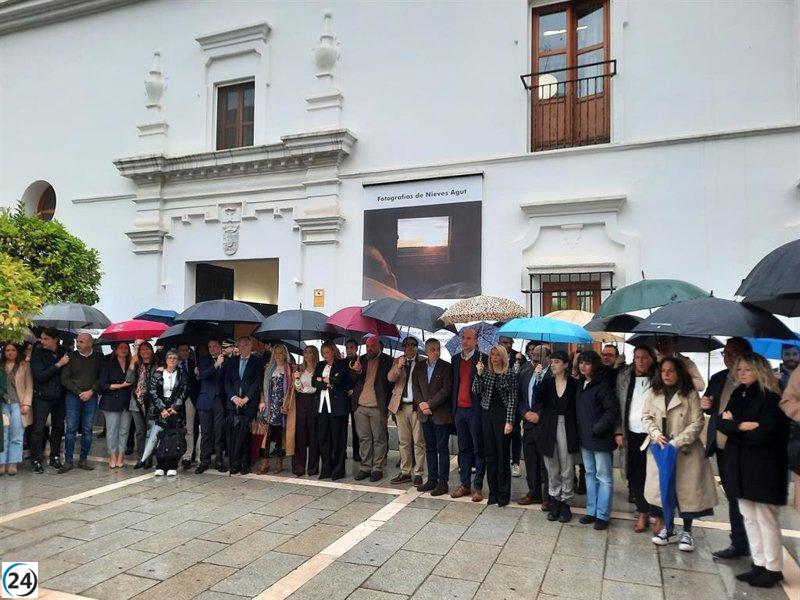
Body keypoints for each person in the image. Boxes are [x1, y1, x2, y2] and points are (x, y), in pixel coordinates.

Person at [718, 353, 789, 588]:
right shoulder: (740, 393)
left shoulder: (770, 398)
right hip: (739, 464)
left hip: (763, 466)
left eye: (747, 369)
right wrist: (741, 425)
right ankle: (759, 563)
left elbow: (766, 432)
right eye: (739, 370)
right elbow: (722, 423)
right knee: (748, 515)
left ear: (760, 370)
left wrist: (735, 427)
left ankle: (773, 567)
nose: (742, 373)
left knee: (765, 517)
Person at [642, 357, 718, 551]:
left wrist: (678, 441)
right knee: (663, 490)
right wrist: (655, 433)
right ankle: (668, 528)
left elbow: (697, 422)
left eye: (671, 371)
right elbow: (646, 416)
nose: (666, 374)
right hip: (660, 448)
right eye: (663, 371)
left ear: (679, 373)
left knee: (686, 493)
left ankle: (687, 532)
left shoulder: (690, 393)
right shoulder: (653, 391)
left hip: (685, 450)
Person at [702, 337, 752, 559]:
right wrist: (705, 404)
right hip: (722, 446)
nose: (727, 358)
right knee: (732, 495)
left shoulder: (753, 381)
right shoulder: (718, 378)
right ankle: (738, 542)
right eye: (725, 353)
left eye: (733, 353)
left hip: (746, 447)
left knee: (749, 499)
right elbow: (708, 404)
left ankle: (754, 545)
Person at [531, 351, 578, 522]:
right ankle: (555, 501)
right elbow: (538, 398)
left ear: (565, 364)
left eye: (557, 362)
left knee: (566, 466)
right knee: (552, 466)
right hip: (549, 427)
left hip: (567, 426)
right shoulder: (547, 382)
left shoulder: (574, 383)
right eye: (552, 362)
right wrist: (537, 378)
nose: (553, 364)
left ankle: (566, 502)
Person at [614, 345, 658, 533]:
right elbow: (618, 404)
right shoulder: (625, 376)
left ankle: (659, 514)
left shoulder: (659, 377)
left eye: (644, 357)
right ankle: (642, 512)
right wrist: (618, 431)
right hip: (630, 432)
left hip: (654, 435)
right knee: (635, 475)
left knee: (654, 476)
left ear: (652, 359)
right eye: (637, 357)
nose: (640, 361)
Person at [575, 350, 618, 530]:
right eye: (581, 362)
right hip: (585, 439)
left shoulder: (602, 385)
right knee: (590, 475)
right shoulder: (580, 384)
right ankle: (591, 511)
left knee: (604, 477)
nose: (583, 366)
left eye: (587, 363)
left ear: (595, 365)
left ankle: (603, 514)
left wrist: (597, 428)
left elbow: (612, 410)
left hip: (600, 439)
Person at [472, 344, 517, 507]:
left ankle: (504, 493)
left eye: (497, 355)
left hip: (502, 415)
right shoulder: (486, 371)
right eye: (492, 355)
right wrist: (478, 374)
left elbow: (513, 398)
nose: (494, 358)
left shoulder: (510, 373)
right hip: (487, 414)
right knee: (489, 455)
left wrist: (510, 421)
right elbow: (476, 390)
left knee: (502, 455)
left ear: (503, 357)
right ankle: (493, 492)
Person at [349, 336, 393, 482]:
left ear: (379, 346)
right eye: (368, 346)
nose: (370, 349)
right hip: (360, 407)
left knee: (379, 439)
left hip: (377, 407)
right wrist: (357, 371)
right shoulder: (360, 360)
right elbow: (352, 381)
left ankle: (377, 468)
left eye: (372, 346)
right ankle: (365, 467)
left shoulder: (388, 360)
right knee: (364, 439)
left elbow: (391, 383)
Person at [413, 338, 453, 496]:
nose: (436, 352)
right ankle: (432, 480)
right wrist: (422, 404)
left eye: (438, 349)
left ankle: (443, 482)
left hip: (440, 415)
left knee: (442, 449)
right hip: (425, 415)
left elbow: (446, 390)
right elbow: (415, 387)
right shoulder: (420, 366)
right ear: (427, 350)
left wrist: (430, 404)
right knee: (429, 448)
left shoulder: (446, 367)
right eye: (433, 349)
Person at [451, 328, 486, 502]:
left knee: (478, 449)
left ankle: (477, 486)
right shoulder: (455, 359)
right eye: (463, 338)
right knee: (463, 449)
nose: (465, 341)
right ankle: (464, 484)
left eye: (469, 338)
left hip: (475, 410)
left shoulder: (483, 360)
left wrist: (480, 373)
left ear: (476, 340)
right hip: (460, 410)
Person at [60, 332, 103, 473]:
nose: (78, 344)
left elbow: (101, 378)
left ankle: (83, 459)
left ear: (90, 343)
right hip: (73, 397)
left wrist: (91, 391)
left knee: (87, 429)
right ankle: (68, 461)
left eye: (81, 342)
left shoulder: (98, 358)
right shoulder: (71, 357)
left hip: (91, 397)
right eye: (77, 341)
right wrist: (79, 392)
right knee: (71, 429)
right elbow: (65, 379)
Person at [223, 337, 265, 475]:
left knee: (246, 433)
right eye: (240, 345)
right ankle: (234, 462)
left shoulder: (257, 361)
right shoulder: (232, 360)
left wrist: (246, 398)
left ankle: (245, 463)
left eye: (245, 345)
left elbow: (257, 381)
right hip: (233, 403)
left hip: (249, 403)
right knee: (233, 433)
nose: (242, 348)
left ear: (250, 346)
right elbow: (227, 381)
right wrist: (234, 398)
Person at [516, 345, 552, 507]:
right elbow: (521, 397)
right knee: (531, 461)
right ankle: (534, 493)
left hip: (545, 425)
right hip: (528, 423)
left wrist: (540, 415)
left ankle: (548, 497)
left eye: (539, 355)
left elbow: (553, 401)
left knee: (546, 464)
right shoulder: (526, 372)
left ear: (548, 358)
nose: (534, 357)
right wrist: (525, 413)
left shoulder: (552, 375)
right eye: (533, 354)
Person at [387, 336, 426, 486]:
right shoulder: (398, 360)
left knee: (418, 441)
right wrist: (398, 367)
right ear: (403, 347)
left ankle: (418, 473)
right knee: (404, 441)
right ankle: (405, 471)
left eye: (413, 345)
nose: (409, 347)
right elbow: (390, 378)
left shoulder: (423, 361)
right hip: (401, 406)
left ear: (417, 347)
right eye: (407, 345)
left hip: (417, 407)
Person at [29, 328, 69, 474]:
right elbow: (40, 376)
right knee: (38, 429)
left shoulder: (64, 351)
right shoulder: (38, 353)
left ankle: (55, 456)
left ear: (55, 340)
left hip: (59, 397)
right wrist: (58, 365)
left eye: (46, 339)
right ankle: (36, 460)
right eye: (42, 338)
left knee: (58, 427)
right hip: (42, 397)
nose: (42, 341)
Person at [147, 349, 188, 477]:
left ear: (178, 361)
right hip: (161, 408)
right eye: (170, 358)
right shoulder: (158, 374)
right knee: (160, 438)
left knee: (173, 438)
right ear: (166, 360)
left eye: (175, 358)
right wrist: (162, 409)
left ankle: (172, 465)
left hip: (175, 410)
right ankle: (160, 465)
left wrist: (176, 407)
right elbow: (152, 392)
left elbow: (184, 391)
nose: (172, 360)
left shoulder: (182, 374)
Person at [313, 341, 350, 480]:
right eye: (323, 352)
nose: (325, 355)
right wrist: (327, 380)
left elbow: (338, 380)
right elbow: (314, 382)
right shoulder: (320, 365)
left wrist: (325, 380)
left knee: (338, 439)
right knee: (323, 437)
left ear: (333, 351)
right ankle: (326, 468)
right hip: (322, 405)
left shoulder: (342, 364)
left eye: (327, 352)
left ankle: (338, 470)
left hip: (337, 406)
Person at [256, 343, 295, 474]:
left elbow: (291, 389)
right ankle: (265, 461)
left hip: (282, 406)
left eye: (280, 353)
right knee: (268, 434)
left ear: (285, 354)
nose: (278, 356)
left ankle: (279, 461)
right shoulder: (269, 368)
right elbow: (263, 387)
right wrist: (262, 401)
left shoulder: (289, 369)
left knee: (279, 435)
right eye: (276, 353)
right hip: (270, 405)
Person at [98, 342, 133, 469]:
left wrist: (133, 363)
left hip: (127, 401)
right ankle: (112, 455)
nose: (124, 350)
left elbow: (133, 379)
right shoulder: (108, 362)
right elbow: (103, 384)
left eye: (126, 348)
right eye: (121, 348)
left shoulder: (131, 363)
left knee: (124, 431)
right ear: (116, 350)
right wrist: (120, 386)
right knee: (112, 431)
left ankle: (121, 455)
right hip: (111, 400)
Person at [194, 339, 227, 474]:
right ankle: (204, 461)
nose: (212, 349)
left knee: (219, 432)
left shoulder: (227, 361)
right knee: (206, 432)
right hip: (205, 400)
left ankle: (219, 460)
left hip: (220, 400)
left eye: (215, 346)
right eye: (210, 346)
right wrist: (216, 365)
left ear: (220, 347)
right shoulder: (203, 360)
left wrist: (221, 363)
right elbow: (204, 375)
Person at [0, 343, 32, 476]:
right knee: (2, 436)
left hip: (18, 404)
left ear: (17, 352)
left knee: (17, 435)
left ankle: (13, 463)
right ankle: (2, 463)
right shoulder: (1, 366)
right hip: (2, 404)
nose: (10, 352)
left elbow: (29, 386)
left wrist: (26, 404)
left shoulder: (24, 365)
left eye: (13, 350)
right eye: (7, 350)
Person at [498, 335, 523, 479]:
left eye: (509, 343)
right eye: (504, 343)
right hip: (500, 405)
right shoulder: (495, 356)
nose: (507, 345)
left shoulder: (519, 357)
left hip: (515, 402)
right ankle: (503, 461)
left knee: (515, 434)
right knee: (502, 436)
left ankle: (515, 462)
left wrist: (517, 368)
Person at [293, 345, 320, 476]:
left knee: (313, 435)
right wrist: (297, 379)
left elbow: (318, 387)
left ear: (314, 354)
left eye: (309, 352)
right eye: (305, 352)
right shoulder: (300, 369)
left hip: (314, 402)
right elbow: (298, 388)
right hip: (301, 403)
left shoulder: (319, 369)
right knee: (300, 435)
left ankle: (313, 467)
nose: (307, 355)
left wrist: (306, 389)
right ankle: (299, 466)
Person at [129, 341, 156, 470]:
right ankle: (141, 458)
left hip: (151, 403)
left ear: (151, 350)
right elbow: (129, 380)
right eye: (142, 350)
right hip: (136, 402)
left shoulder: (157, 366)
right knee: (139, 432)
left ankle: (148, 457)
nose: (145, 352)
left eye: (147, 349)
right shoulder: (137, 364)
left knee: (150, 432)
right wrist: (132, 365)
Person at [176, 344, 199, 470]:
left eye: (186, 350)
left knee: (189, 428)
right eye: (181, 350)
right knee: (176, 427)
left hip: (190, 399)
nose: (184, 352)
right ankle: (175, 453)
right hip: (176, 400)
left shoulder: (193, 363)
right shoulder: (173, 363)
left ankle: (187, 456)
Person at [344, 338, 362, 463]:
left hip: (356, 399)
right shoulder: (341, 362)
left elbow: (363, 380)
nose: (349, 350)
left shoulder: (361, 362)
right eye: (347, 348)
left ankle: (356, 452)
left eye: (351, 348)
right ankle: (343, 451)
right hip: (343, 399)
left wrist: (355, 390)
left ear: (356, 348)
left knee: (357, 427)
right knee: (342, 426)